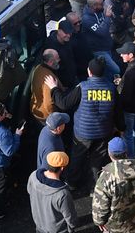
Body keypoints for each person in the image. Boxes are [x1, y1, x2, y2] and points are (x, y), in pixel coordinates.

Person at [47, 57, 124, 189]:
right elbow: (117, 112)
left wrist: (54, 88)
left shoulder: (83, 88)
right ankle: (95, 186)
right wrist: (122, 128)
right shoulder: (111, 89)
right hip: (103, 132)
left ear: (89, 71)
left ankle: (72, 183)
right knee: (97, 159)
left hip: (83, 133)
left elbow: (64, 104)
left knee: (77, 157)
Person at [28, 150, 77, 233]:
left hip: (39, 225)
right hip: (57, 231)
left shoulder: (33, 176)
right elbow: (70, 217)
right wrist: (72, 229)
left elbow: (29, 191)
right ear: (62, 168)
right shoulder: (63, 194)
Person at [116, 41, 135, 158]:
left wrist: (119, 105)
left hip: (129, 108)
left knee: (128, 134)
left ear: (130, 55)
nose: (121, 55)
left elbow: (126, 96)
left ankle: (132, 158)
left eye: (123, 53)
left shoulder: (131, 73)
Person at [82, 0, 120, 77]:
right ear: (94, 6)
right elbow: (102, 32)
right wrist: (107, 17)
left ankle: (108, 80)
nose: (103, 5)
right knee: (116, 70)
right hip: (99, 50)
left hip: (107, 46)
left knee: (107, 70)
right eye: (101, 4)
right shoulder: (87, 19)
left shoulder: (99, 11)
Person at [30, 49, 61, 124]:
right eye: (57, 58)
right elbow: (49, 104)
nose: (60, 60)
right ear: (50, 62)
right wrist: (55, 117)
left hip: (37, 109)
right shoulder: (49, 79)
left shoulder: (38, 67)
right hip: (46, 116)